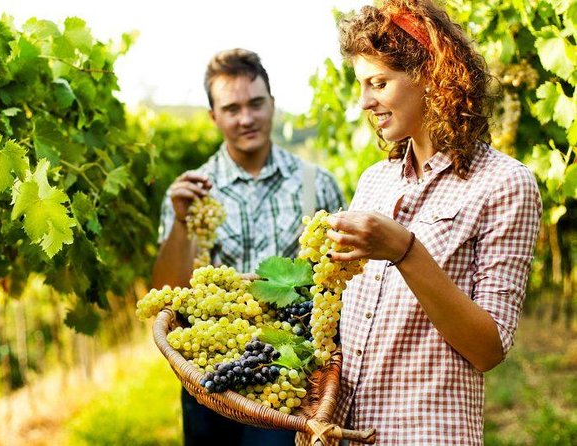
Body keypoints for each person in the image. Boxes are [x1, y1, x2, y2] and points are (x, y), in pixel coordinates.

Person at [319, 0, 542, 444]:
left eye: (379, 82)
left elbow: (488, 349)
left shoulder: (504, 184)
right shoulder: (374, 182)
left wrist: (406, 251)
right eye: (361, 85)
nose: (365, 101)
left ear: (430, 76)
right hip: (345, 433)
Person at [151, 48, 346, 446]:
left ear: (272, 104)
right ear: (213, 116)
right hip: (209, 376)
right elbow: (165, 293)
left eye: (256, 104)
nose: (246, 118)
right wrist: (182, 221)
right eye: (232, 108)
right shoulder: (191, 193)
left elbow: (340, 285)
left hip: (287, 383)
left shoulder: (317, 184)